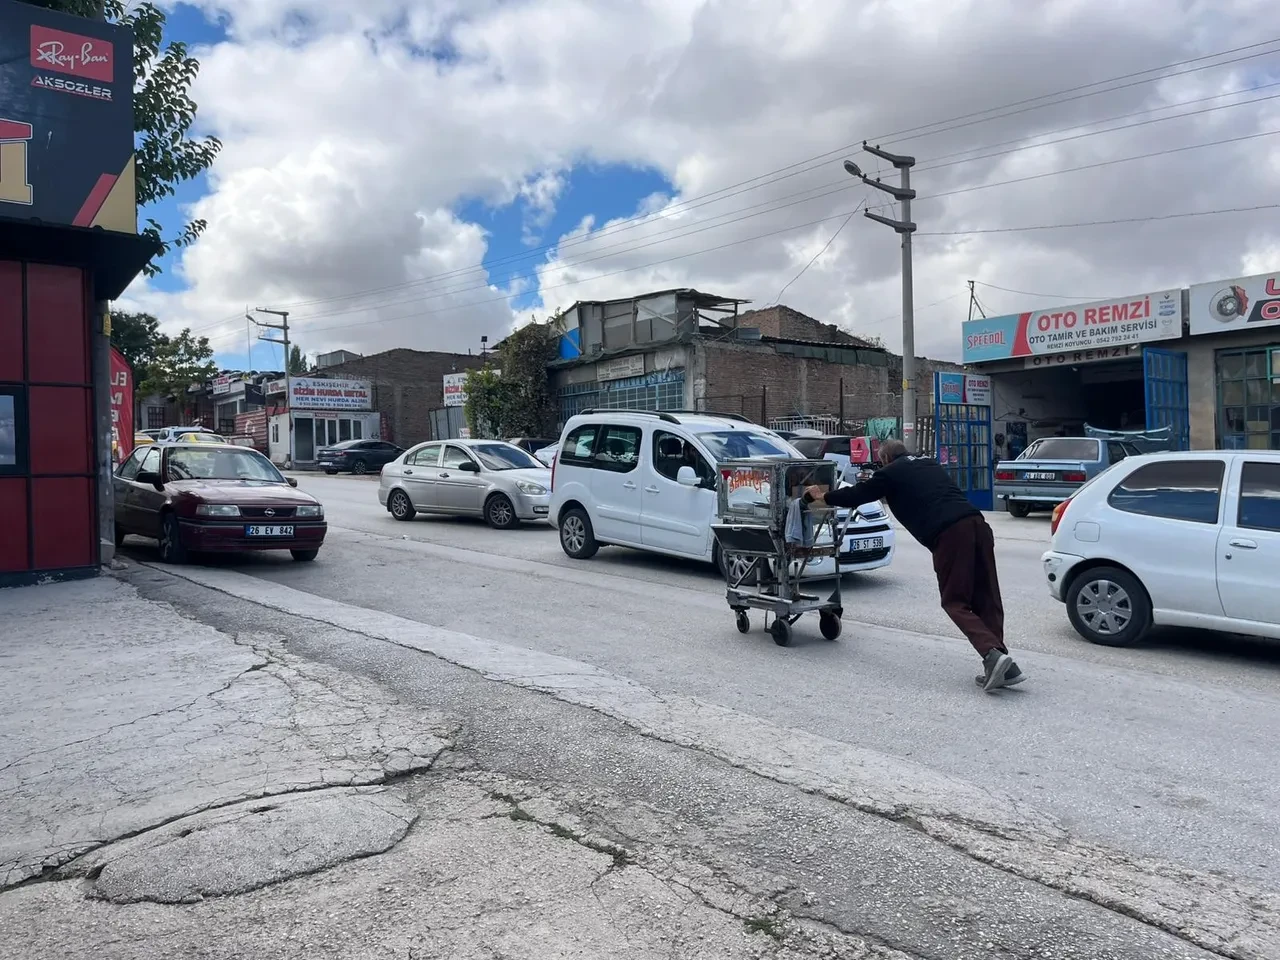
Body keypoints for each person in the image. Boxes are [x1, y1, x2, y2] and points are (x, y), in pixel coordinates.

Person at [804, 439, 1025, 692]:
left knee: (955, 601)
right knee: (987, 596)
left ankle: (992, 655)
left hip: (950, 534)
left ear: (885, 459)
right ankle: (1003, 663)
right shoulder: (928, 463)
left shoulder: (890, 472)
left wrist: (823, 496)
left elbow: (857, 495)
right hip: (978, 525)